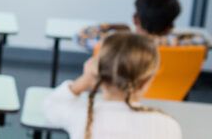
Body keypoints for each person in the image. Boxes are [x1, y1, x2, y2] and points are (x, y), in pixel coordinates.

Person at [45, 32, 181, 139]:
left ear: (98, 73)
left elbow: (51, 105)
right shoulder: (168, 126)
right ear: (146, 81)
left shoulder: (82, 115)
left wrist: (85, 79)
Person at [76, 0, 209, 52]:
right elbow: (203, 40)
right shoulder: (189, 45)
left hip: (124, 101)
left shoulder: (114, 44)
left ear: (135, 19)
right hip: (173, 102)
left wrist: (113, 26)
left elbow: (81, 36)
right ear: (171, 25)